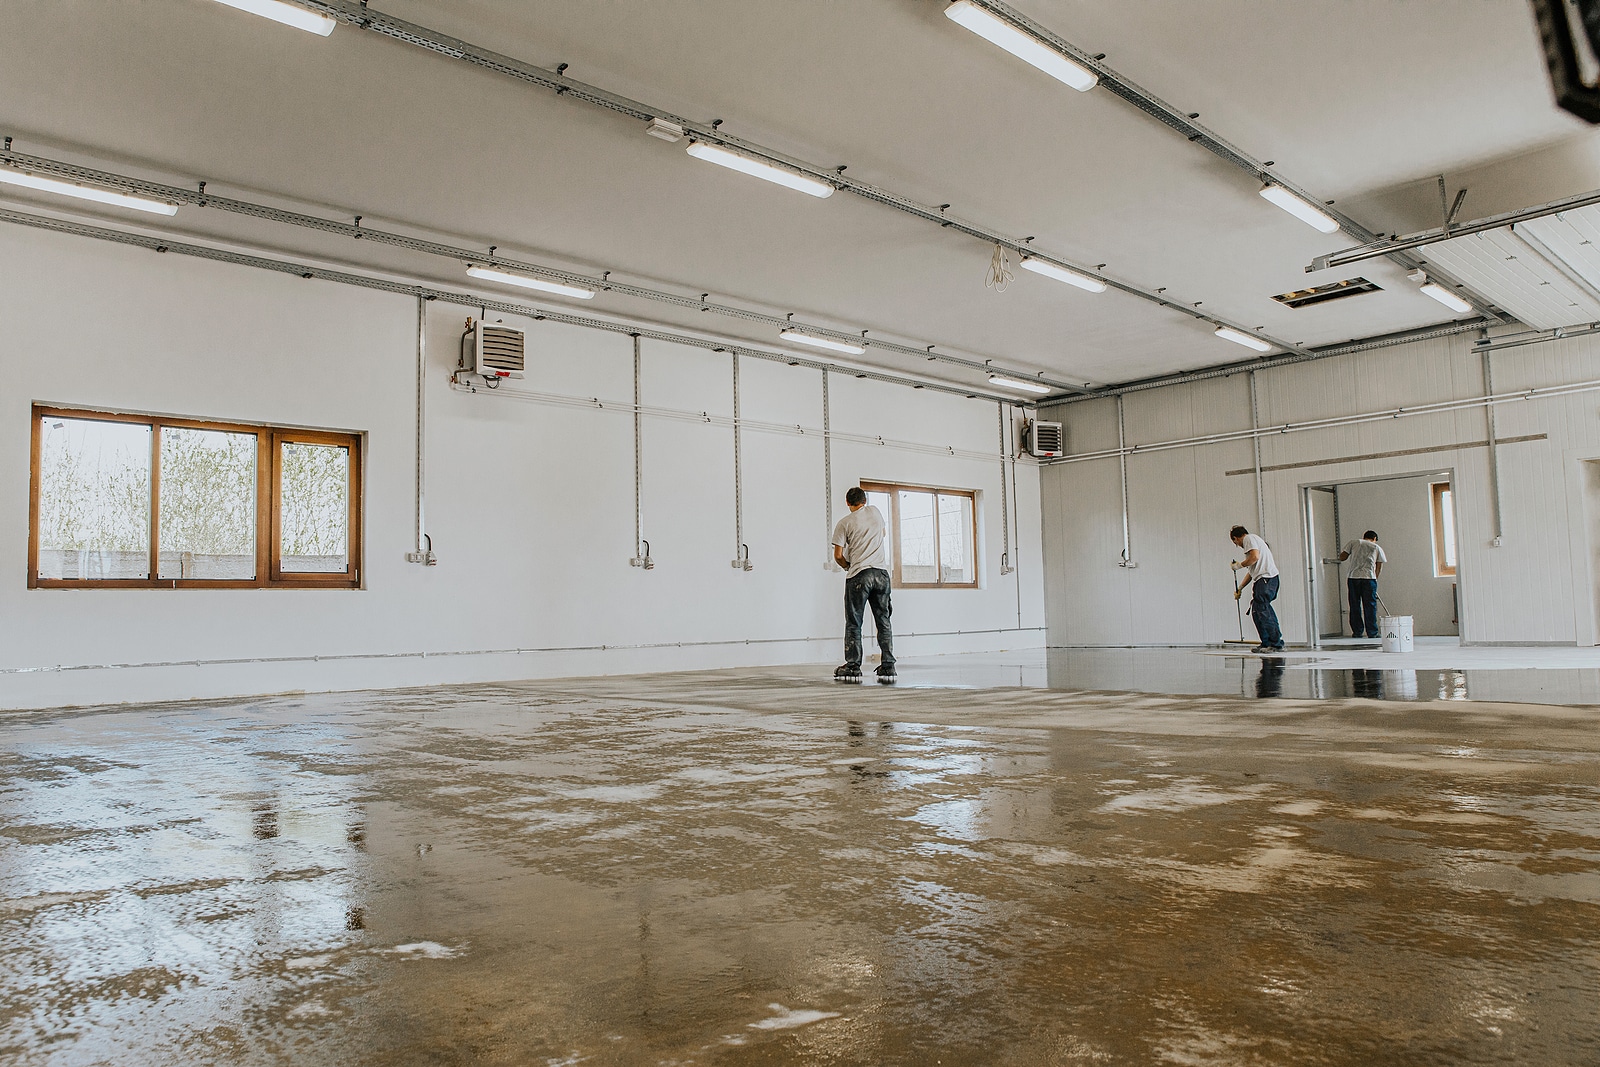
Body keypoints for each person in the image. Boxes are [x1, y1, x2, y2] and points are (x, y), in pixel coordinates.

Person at [831, 487, 895, 681]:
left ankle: (853, 666)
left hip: (859, 574)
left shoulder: (844, 523)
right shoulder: (875, 512)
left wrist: (847, 566)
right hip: (881, 574)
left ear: (847, 502)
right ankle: (888, 665)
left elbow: (838, 555)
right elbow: (882, 533)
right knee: (883, 620)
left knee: (854, 622)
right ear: (864, 500)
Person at [1230, 525, 1283, 653]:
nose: (1238, 545)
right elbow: (1251, 572)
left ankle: (1276, 644)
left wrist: (1239, 565)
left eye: (1235, 542)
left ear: (1236, 538)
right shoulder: (1253, 544)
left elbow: (1254, 557)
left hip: (1266, 579)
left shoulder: (1249, 539)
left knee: (1263, 609)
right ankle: (1266, 643)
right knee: (1257, 610)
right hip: (1264, 580)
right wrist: (1240, 588)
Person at [1338, 530, 1386, 639]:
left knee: (1354, 605)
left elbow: (1342, 557)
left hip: (1353, 577)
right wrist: (1375, 579)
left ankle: (1357, 632)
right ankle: (1372, 632)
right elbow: (1379, 566)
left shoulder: (1354, 542)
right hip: (1369, 578)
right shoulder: (1376, 547)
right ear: (1374, 539)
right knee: (1370, 606)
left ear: (1364, 537)